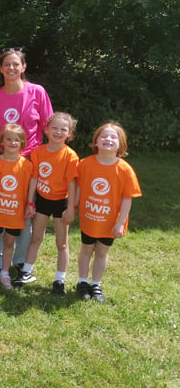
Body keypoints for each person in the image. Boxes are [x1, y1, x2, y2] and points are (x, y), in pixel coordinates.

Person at [0, 47, 53, 272]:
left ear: (24, 67)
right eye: (7, 64)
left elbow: (49, 127)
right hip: (1, 157)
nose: (12, 68)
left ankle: (18, 261)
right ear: (1, 68)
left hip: (29, 160)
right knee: (0, 207)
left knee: (26, 209)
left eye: (16, 64)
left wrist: (55, 158)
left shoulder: (37, 92)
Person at [75, 122, 141, 303]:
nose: (108, 140)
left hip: (110, 222)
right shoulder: (85, 164)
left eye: (114, 137)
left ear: (121, 145)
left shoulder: (125, 170)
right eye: (104, 136)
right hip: (89, 219)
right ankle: (82, 282)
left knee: (102, 251)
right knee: (86, 249)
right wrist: (71, 208)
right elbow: (78, 188)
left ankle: (95, 284)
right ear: (96, 141)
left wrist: (120, 222)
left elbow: (128, 198)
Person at [15, 112, 79, 294]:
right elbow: (34, 178)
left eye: (63, 129)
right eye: (55, 128)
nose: (58, 132)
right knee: (36, 238)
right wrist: (30, 202)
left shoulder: (70, 156)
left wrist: (71, 209)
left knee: (62, 243)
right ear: (46, 130)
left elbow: (72, 186)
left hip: (61, 202)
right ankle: (26, 271)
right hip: (42, 200)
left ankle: (59, 280)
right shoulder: (38, 152)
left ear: (69, 135)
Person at [0, 124, 34, 292]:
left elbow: (31, 186)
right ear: (1, 141)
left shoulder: (27, 166)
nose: (12, 142)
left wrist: (29, 204)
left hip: (15, 214)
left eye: (17, 140)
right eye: (8, 139)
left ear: (22, 143)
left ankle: (4, 273)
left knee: (10, 243)